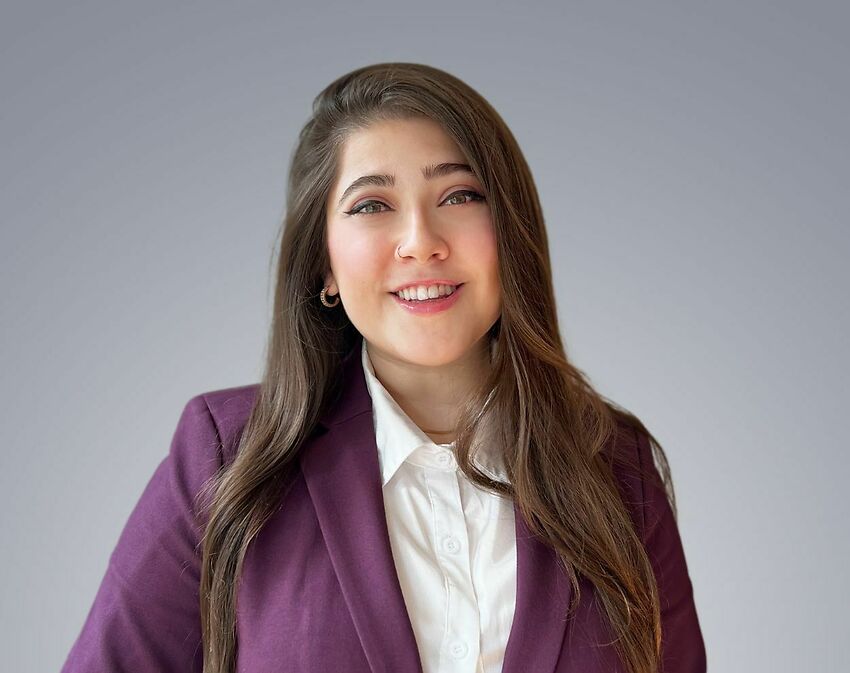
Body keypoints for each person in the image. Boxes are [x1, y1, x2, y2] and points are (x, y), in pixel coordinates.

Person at [61, 62, 706, 673]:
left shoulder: (616, 468)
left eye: (459, 194)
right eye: (372, 205)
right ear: (324, 263)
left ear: (511, 233)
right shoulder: (227, 456)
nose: (421, 240)